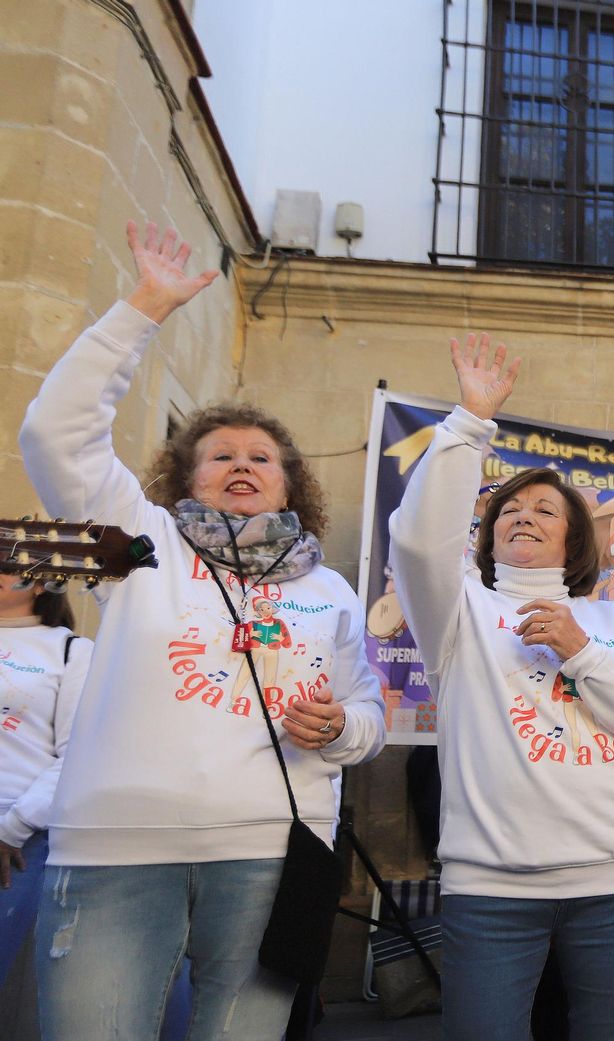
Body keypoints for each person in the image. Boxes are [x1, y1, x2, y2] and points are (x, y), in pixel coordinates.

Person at [18, 221, 387, 1040]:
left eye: (263, 457)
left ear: (291, 487)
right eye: (220, 456)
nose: (243, 464)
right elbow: (54, 434)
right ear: (182, 478)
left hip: (271, 858)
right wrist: (142, 308)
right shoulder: (139, 543)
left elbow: (367, 714)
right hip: (119, 854)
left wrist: (341, 728)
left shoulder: (327, 588)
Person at [388, 333, 614, 1041]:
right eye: (510, 512)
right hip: (492, 887)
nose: (524, 516)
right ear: (487, 537)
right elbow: (421, 542)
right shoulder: (458, 610)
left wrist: (581, 652)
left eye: (547, 511)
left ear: (574, 542)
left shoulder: (612, 617)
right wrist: (470, 420)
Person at [0, 580, 86, 986]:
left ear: (38, 581)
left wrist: (12, 829)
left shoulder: (72, 651)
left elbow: (79, 755)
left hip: (14, 832)